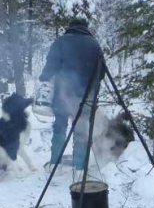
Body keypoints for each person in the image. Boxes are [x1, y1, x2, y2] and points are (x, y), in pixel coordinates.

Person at [38, 18, 105, 176]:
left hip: (63, 93)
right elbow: (101, 72)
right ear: (85, 27)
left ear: (70, 27)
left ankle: (55, 164)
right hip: (86, 95)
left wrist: (44, 77)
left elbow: (51, 64)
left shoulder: (61, 42)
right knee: (81, 128)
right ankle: (80, 168)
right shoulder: (94, 44)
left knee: (60, 126)